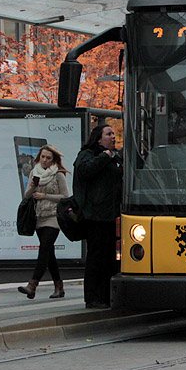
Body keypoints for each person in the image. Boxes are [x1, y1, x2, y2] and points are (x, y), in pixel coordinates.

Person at [74, 124, 122, 309]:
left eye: (114, 133)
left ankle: (107, 295)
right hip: (95, 216)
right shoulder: (89, 154)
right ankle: (93, 297)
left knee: (110, 257)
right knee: (96, 256)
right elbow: (85, 171)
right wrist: (105, 156)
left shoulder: (115, 157)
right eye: (109, 133)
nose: (113, 137)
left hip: (112, 216)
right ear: (98, 138)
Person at [17, 145, 69, 299]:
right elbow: (27, 195)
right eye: (43, 157)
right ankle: (59, 286)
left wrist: (45, 196)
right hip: (39, 216)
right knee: (49, 253)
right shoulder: (34, 172)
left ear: (53, 160)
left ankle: (32, 285)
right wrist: (33, 187)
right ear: (39, 157)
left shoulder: (58, 174)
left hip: (54, 216)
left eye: (48, 158)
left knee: (44, 248)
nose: (45, 160)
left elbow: (65, 196)